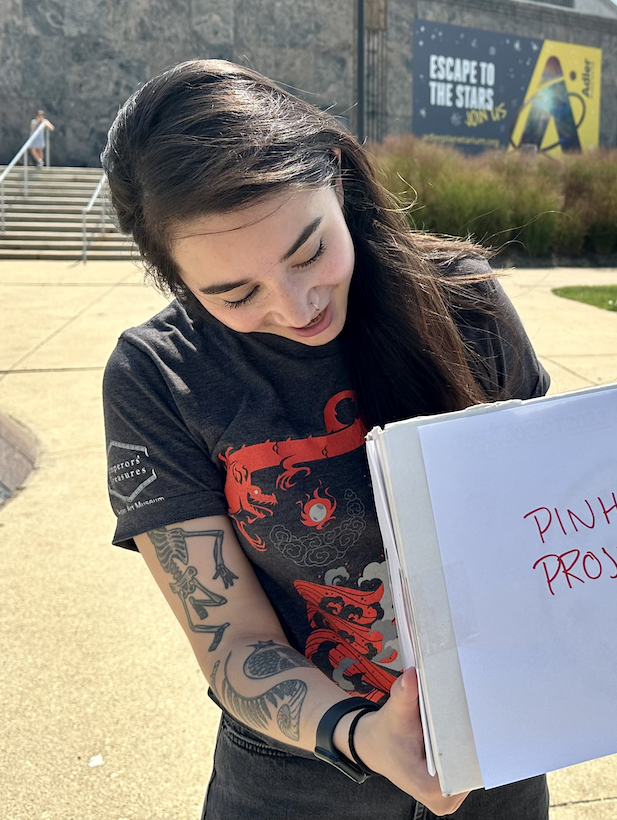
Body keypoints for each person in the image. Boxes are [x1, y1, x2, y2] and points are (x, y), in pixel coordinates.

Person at [102, 60, 551, 820]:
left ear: (338, 181)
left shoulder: (466, 305)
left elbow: (557, 522)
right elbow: (233, 640)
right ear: (174, 278)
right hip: (292, 785)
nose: (297, 304)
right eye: (234, 294)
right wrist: (362, 734)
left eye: (309, 251)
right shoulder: (158, 378)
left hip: (496, 761)